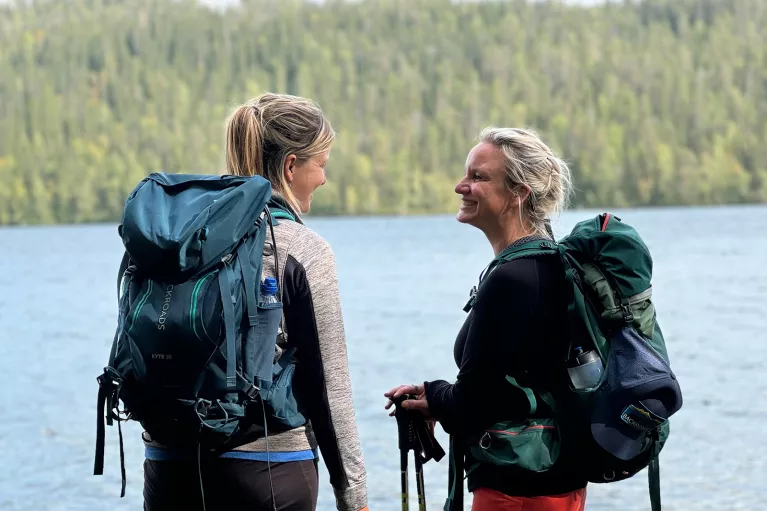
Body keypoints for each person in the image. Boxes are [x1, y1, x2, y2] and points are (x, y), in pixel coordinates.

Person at [143, 93, 369, 511]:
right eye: (320, 165)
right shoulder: (301, 248)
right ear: (290, 166)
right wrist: (354, 498)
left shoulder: (181, 238)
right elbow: (330, 390)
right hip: (267, 472)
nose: (323, 179)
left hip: (168, 468)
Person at [385, 127, 586, 511]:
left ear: (518, 193)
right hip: (559, 483)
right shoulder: (551, 266)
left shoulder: (513, 278)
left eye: (478, 177)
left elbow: (473, 402)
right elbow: (506, 388)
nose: (461, 186)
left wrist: (434, 394)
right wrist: (437, 399)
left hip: (516, 491)